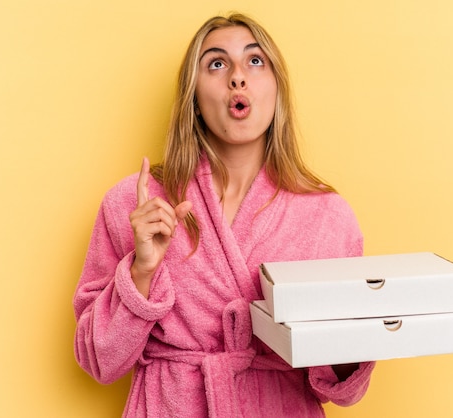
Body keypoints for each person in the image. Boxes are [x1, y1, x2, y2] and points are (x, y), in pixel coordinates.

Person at [73, 12, 375, 418]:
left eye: (255, 61)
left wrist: (351, 339)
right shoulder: (135, 204)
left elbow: (344, 387)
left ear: (276, 90)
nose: (237, 76)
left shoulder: (326, 216)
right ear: (194, 99)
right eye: (216, 63)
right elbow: (99, 361)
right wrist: (141, 272)